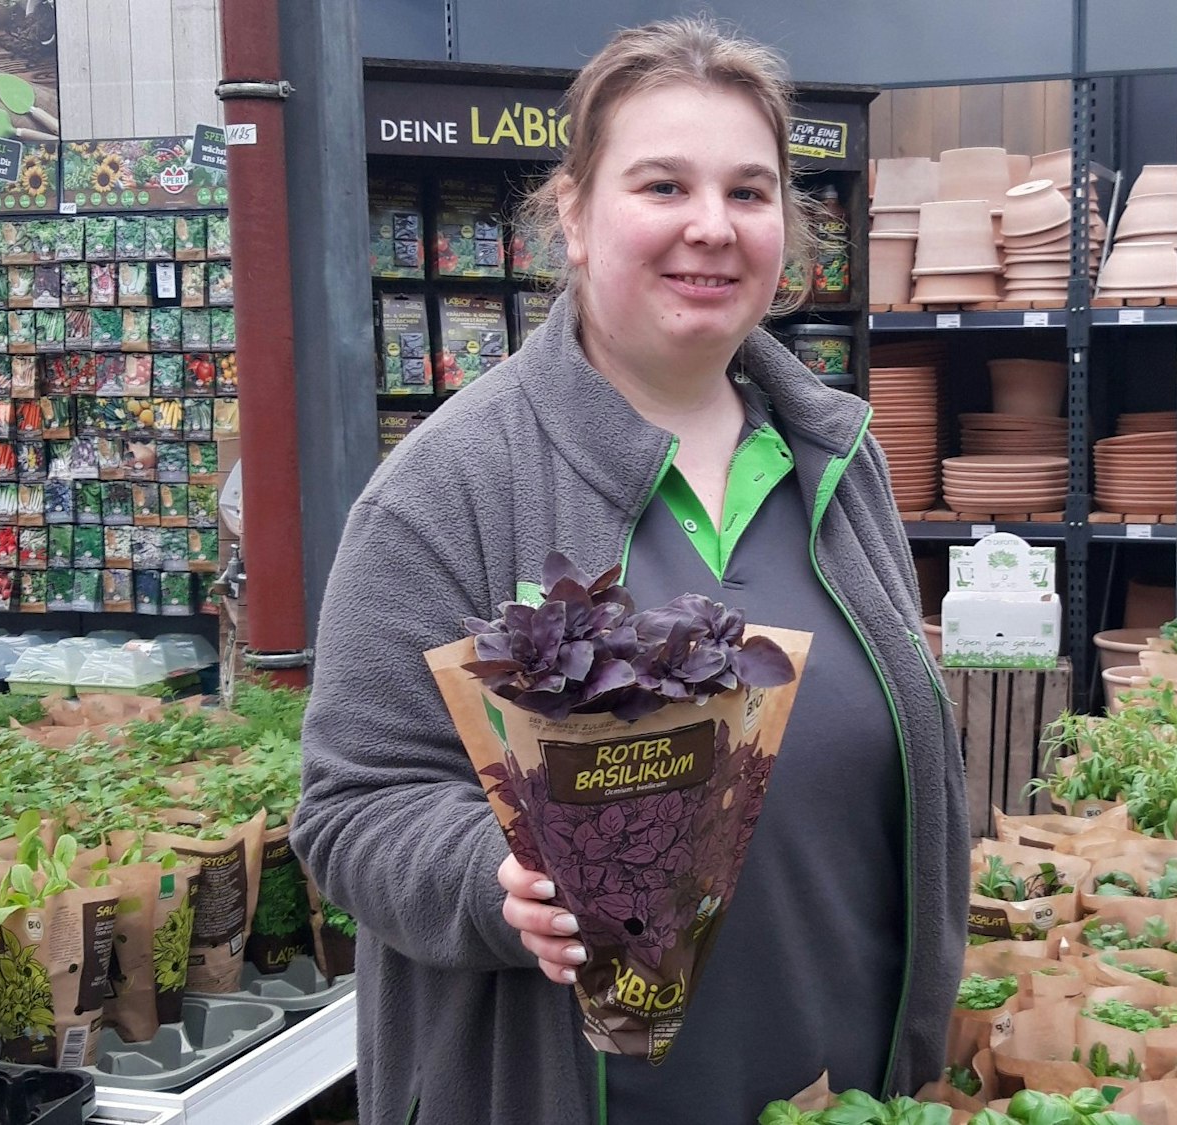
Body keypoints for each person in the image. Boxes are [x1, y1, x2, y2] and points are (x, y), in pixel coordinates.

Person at [291, 17, 967, 1125]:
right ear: (572, 212)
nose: (711, 227)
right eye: (662, 185)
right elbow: (353, 807)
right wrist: (490, 882)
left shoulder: (836, 461)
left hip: (843, 1093)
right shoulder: (448, 486)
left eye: (749, 194)